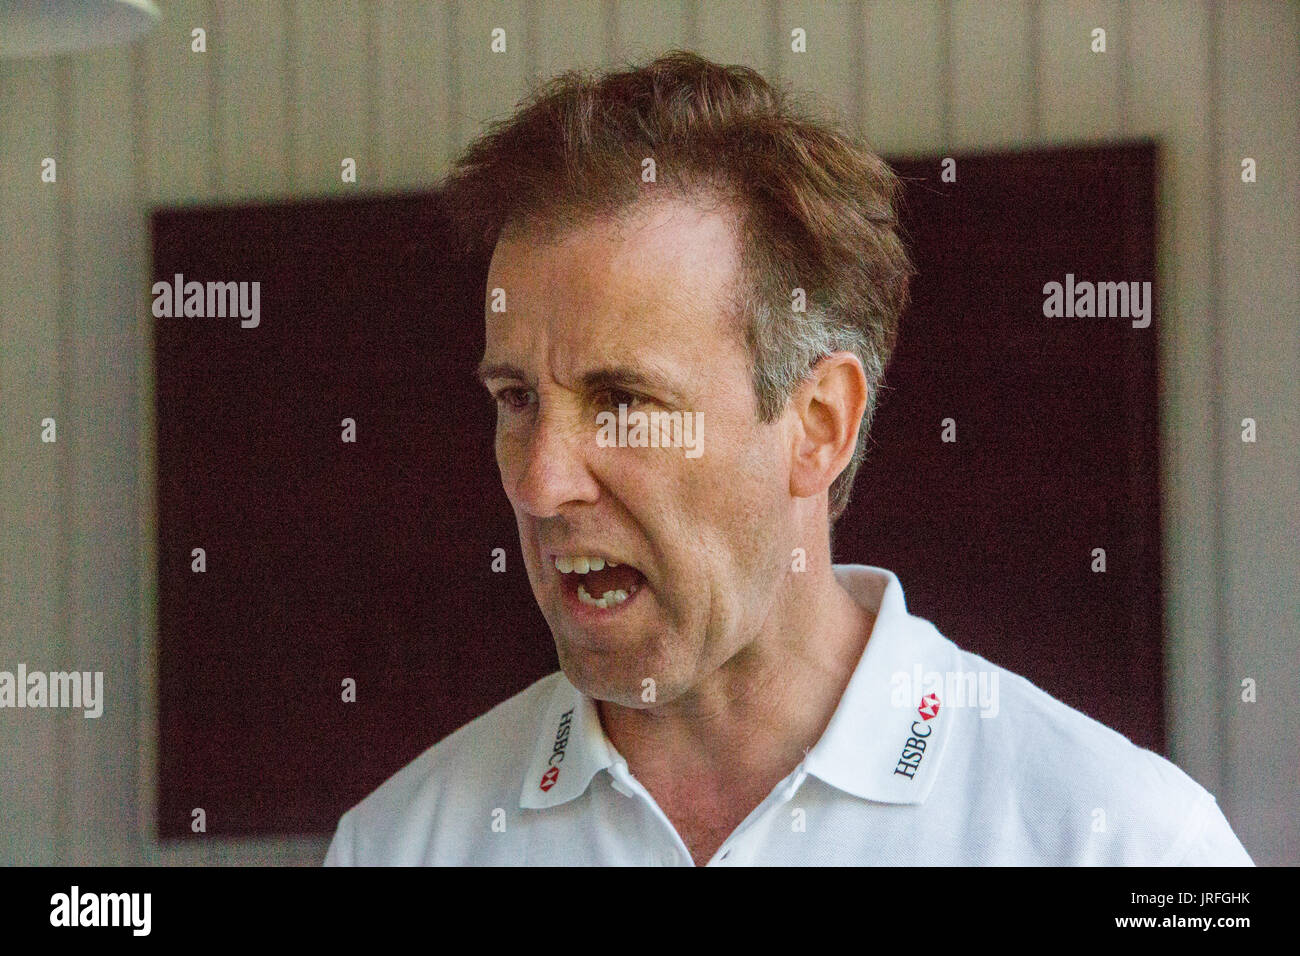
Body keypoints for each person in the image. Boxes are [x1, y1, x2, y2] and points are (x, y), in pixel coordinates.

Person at [324, 51, 1251, 866]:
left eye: (625, 402)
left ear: (818, 423)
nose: (539, 482)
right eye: (518, 400)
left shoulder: (1124, 844)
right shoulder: (400, 846)